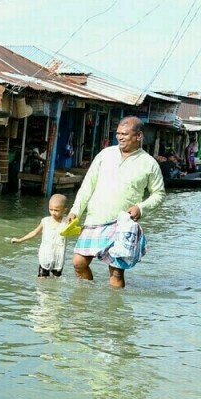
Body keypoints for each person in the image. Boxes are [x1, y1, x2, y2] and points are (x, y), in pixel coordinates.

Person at [66, 116, 165, 289]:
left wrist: (141, 208)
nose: (120, 137)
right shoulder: (105, 154)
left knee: (117, 273)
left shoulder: (149, 163)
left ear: (139, 136)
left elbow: (159, 194)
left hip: (122, 224)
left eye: (125, 134)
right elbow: (88, 185)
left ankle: (113, 311)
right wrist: (75, 211)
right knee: (78, 263)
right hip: (95, 218)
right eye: (118, 133)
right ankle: (87, 296)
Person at [10, 194, 69, 278]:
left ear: (64, 210)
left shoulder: (66, 222)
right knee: (41, 280)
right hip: (45, 257)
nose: (53, 212)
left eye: (56, 210)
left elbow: (76, 231)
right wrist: (20, 240)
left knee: (56, 281)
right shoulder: (45, 221)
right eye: (50, 209)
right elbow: (34, 232)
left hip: (58, 259)